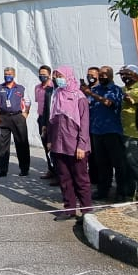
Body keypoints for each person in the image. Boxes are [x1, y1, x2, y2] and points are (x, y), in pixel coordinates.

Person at [48, 65, 92, 225]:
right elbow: (53, 119)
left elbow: (85, 125)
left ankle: (87, 211)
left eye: (60, 75)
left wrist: (81, 145)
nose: (57, 78)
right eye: (55, 76)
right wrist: (50, 140)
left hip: (76, 146)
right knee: (64, 178)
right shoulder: (57, 95)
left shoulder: (79, 97)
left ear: (68, 76)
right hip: (59, 145)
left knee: (81, 179)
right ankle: (69, 209)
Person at [86, 64, 126, 200]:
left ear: (110, 76)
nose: (101, 76)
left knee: (118, 163)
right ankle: (103, 190)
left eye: (104, 74)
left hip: (112, 131)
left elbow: (109, 103)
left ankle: (122, 191)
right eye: (100, 74)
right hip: (96, 131)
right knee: (102, 163)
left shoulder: (115, 90)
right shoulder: (95, 89)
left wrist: (91, 93)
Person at [118, 65, 138, 200]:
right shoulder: (122, 89)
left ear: (136, 76)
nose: (124, 77)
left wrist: (121, 94)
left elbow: (131, 99)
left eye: (127, 74)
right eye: (122, 74)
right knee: (125, 163)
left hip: (135, 132)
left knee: (133, 162)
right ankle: (128, 190)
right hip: (122, 130)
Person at [0, 67, 30, 177]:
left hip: (18, 117)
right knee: (2, 144)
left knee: (21, 143)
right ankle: (2, 170)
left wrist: (25, 115)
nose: (7, 75)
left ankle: (24, 169)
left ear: (14, 75)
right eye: (5, 74)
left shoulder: (21, 88)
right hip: (3, 117)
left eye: (9, 74)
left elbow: (27, 101)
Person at [34, 65, 56, 180]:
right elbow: (39, 103)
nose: (42, 76)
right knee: (45, 144)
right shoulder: (37, 87)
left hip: (51, 118)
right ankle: (51, 169)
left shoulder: (53, 87)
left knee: (53, 144)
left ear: (49, 74)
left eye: (44, 74)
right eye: (40, 74)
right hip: (41, 118)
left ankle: (58, 172)